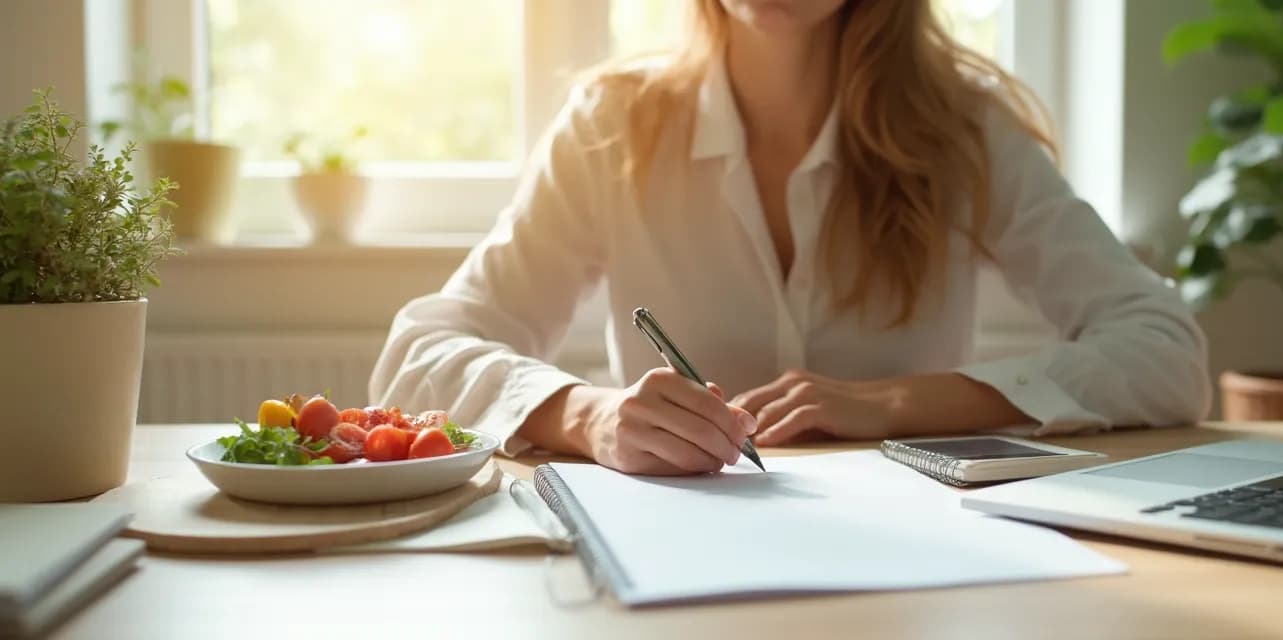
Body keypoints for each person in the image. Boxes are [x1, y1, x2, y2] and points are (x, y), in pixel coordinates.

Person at [370, 0, 1210, 476]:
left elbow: (1166, 350)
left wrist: (895, 403)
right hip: (676, 567)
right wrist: (588, 415)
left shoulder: (963, 130)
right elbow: (419, 352)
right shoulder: (615, 125)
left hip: (911, 569)